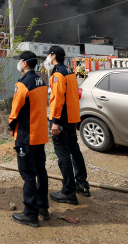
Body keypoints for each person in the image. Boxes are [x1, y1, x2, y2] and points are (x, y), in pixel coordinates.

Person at [45, 45, 90, 205]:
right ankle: (82, 184)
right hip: (72, 117)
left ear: (54, 55)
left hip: (61, 120)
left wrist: (55, 122)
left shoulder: (58, 74)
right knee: (75, 151)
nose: (47, 59)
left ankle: (68, 191)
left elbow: (57, 99)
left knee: (63, 154)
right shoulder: (69, 71)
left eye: (49, 55)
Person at [8, 51, 49, 228]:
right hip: (40, 133)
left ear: (24, 63)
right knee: (41, 170)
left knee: (28, 174)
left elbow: (15, 110)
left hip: (26, 135)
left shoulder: (23, 84)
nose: (19, 63)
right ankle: (43, 208)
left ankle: (30, 214)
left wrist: (10, 125)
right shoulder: (41, 80)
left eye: (20, 61)